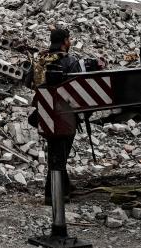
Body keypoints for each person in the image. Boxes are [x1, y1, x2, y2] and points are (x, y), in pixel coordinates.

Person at [33, 27, 104, 204]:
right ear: (65, 41)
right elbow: (80, 89)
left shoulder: (41, 60)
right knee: (60, 154)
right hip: (65, 114)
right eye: (69, 39)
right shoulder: (70, 61)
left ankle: (64, 187)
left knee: (55, 152)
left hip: (44, 113)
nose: (70, 42)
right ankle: (54, 194)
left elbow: (29, 82)